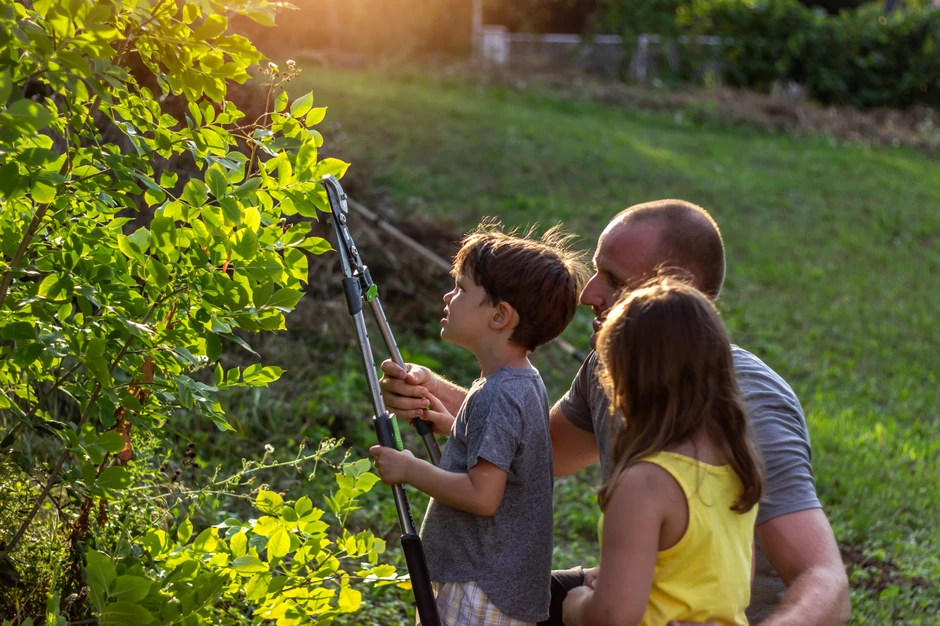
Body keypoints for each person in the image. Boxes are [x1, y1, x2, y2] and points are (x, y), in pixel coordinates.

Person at [380, 201, 851, 626]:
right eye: (596, 271)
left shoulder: (749, 403)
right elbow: (539, 449)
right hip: (642, 594)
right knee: (504, 599)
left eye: (615, 279)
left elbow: (824, 578)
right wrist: (438, 395)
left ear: (674, 294)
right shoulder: (608, 369)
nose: (588, 294)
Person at [370, 221, 587, 625]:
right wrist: (456, 427)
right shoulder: (524, 381)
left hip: (478, 588)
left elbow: (482, 496)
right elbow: (511, 457)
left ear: (500, 315)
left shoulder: (498, 392)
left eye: (461, 288)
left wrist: (408, 468)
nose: (448, 296)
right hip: (499, 586)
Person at [561, 278, 763, 626]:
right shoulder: (736, 467)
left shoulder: (645, 483)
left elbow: (613, 616)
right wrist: (618, 576)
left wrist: (576, 604)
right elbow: (719, 580)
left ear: (627, 381)